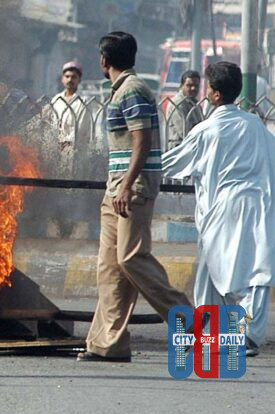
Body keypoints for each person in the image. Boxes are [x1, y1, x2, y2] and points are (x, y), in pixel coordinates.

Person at [77, 32, 193, 362]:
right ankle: (108, 343)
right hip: (116, 186)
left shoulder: (132, 90)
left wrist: (127, 185)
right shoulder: (122, 90)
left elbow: (142, 141)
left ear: (104, 60)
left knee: (130, 257)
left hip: (132, 188)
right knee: (110, 267)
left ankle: (188, 319)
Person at [162, 62, 275, 357]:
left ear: (215, 94)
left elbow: (172, 163)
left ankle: (217, 332)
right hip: (260, 204)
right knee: (255, 270)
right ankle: (242, 335)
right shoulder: (257, 127)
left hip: (223, 207)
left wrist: (133, 167)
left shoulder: (207, 130)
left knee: (216, 268)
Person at [50, 60, 93, 176]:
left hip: (75, 151)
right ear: (62, 79)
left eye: (74, 77)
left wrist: (66, 143)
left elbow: (82, 129)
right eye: (67, 76)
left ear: (79, 80)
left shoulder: (84, 101)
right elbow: (52, 124)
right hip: (56, 150)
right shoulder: (56, 100)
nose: (70, 80)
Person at [166, 70, 204, 149]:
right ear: (181, 86)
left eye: (196, 86)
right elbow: (184, 131)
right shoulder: (177, 103)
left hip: (193, 146)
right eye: (189, 85)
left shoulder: (195, 104)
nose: (193, 88)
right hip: (178, 147)